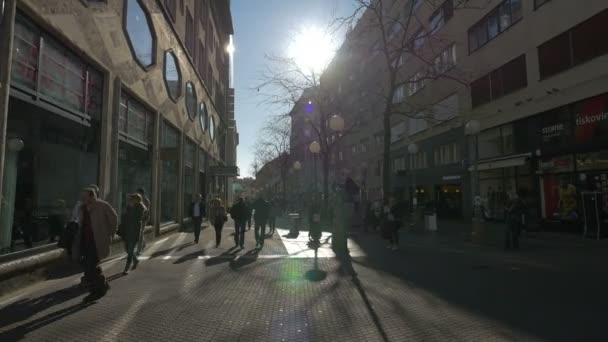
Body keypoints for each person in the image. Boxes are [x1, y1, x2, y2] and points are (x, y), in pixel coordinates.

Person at [72, 188, 118, 300]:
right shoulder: (82, 208)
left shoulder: (103, 205)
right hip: (84, 242)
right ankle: (102, 284)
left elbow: (114, 219)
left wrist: (109, 235)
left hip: (97, 242)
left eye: (85, 196)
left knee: (90, 267)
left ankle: (98, 291)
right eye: (82, 196)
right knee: (87, 265)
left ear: (92, 196)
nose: (83, 198)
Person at [119, 194, 146, 274]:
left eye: (132, 199)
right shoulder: (128, 207)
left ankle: (126, 268)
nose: (130, 200)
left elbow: (137, 218)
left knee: (130, 250)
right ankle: (136, 260)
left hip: (134, 232)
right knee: (127, 249)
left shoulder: (140, 208)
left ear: (137, 200)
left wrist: (131, 209)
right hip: (127, 231)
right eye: (130, 199)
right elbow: (124, 217)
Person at [135, 188, 151, 255]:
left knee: (140, 232)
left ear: (142, 193)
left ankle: (139, 249)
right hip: (138, 218)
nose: (137, 194)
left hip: (144, 218)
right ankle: (143, 243)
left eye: (138, 193)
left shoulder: (146, 201)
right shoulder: (137, 200)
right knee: (140, 232)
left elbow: (146, 211)